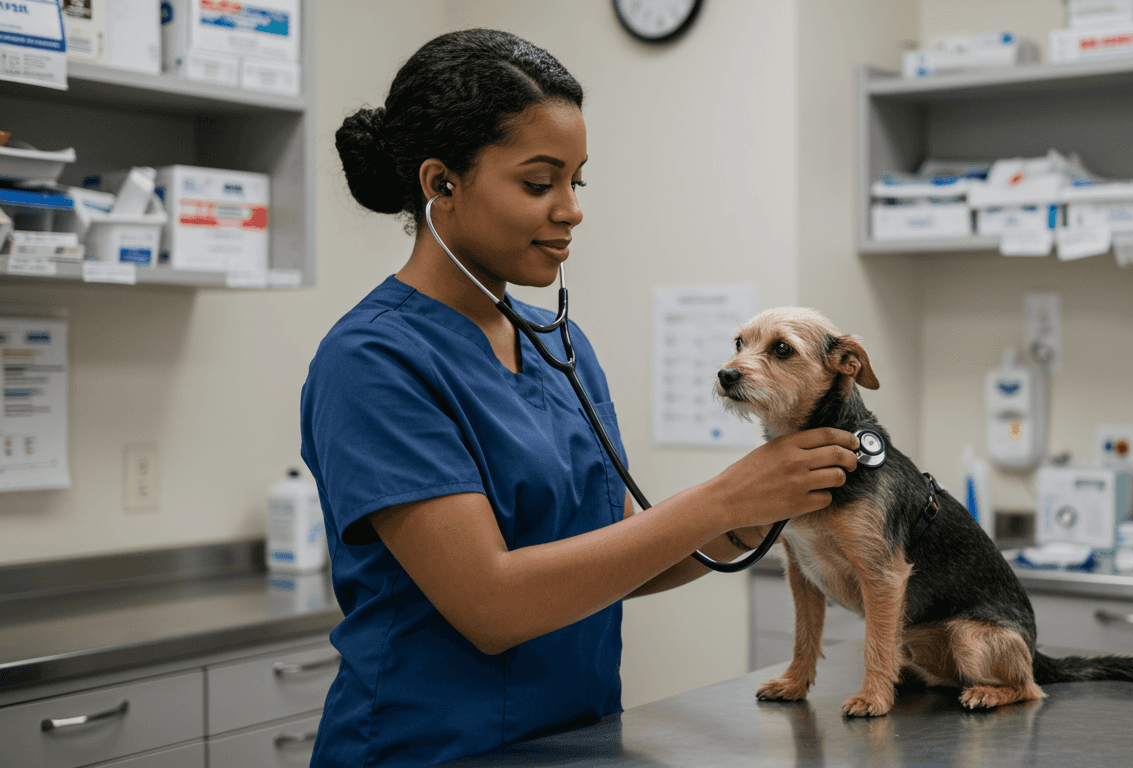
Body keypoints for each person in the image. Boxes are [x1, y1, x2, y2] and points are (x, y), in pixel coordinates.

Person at [303, 29, 860, 766]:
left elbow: (625, 556)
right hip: (429, 748)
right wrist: (726, 497)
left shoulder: (558, 345)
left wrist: (770, 502)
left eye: (578, 181)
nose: (571, 209)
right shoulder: (372, 362)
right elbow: (492, 606)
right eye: (539, 183)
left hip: (579, 739)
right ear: (442, 184)